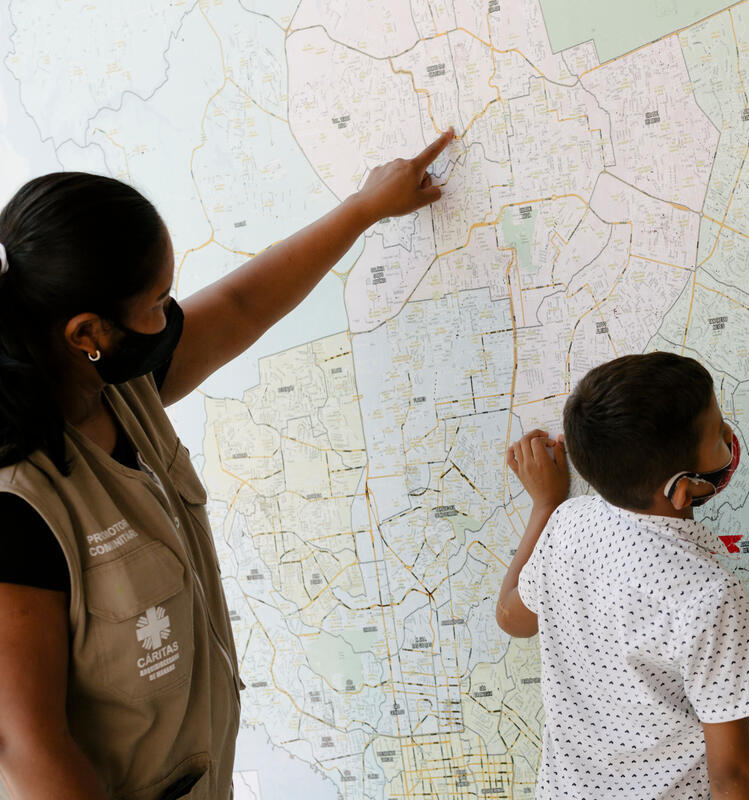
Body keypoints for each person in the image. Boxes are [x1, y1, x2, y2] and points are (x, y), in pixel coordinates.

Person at [0, 128, 454, 799]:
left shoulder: (118, 388)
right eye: (156, 304)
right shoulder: (19, 504)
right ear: (88, 333)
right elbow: (24, 743)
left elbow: (240, 305)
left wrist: (363, 210)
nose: (168, 318)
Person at [495, 352, 749, 800]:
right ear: (682, 489)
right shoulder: (708, 594)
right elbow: (734, 777)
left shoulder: (567, 525)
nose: (729, 434)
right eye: (718, 435)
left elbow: (513, 618)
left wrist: (545, 505)